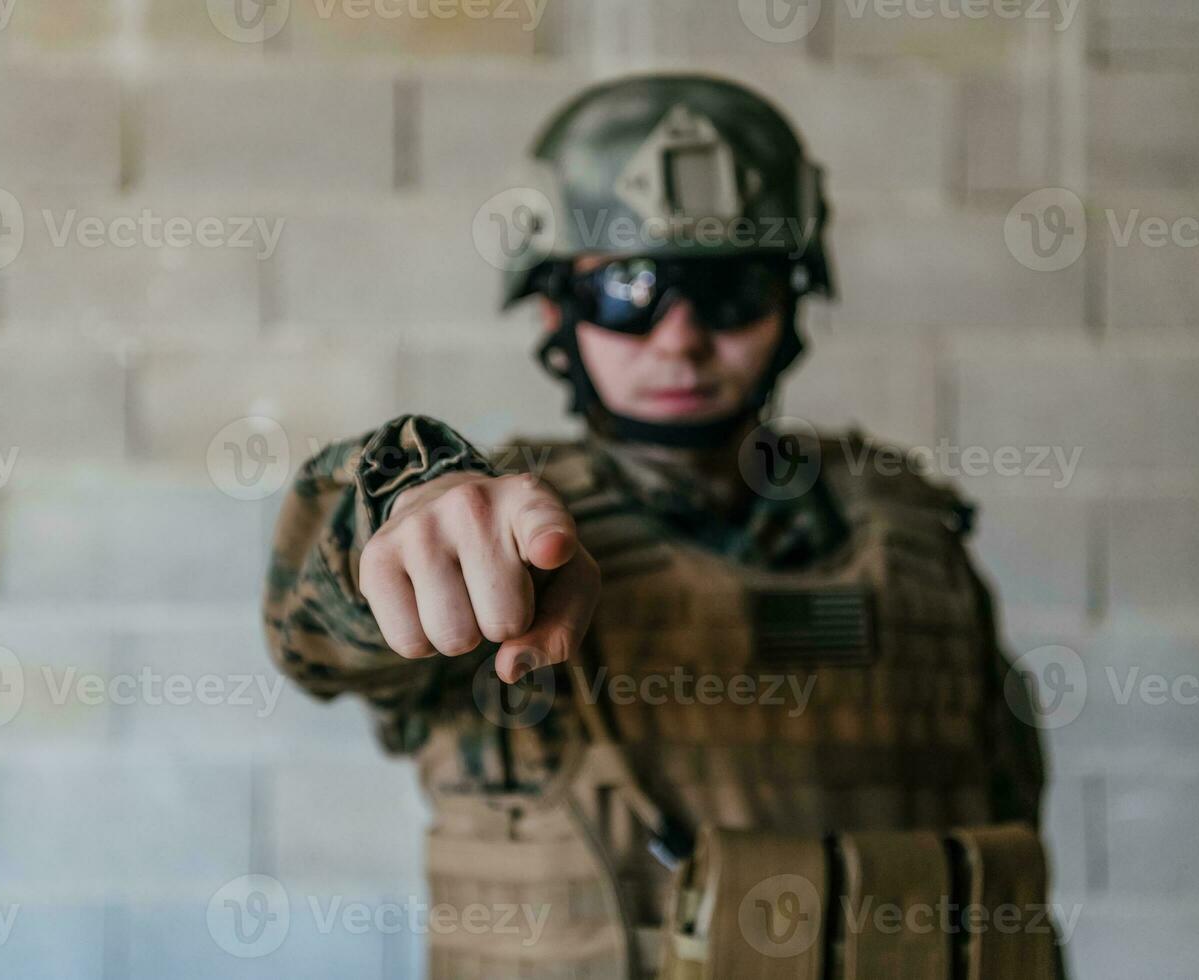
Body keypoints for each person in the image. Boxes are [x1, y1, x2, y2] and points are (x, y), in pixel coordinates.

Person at [264, 73, 1062, 979]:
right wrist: (401, 504)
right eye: (629, 290)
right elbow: (316, 635)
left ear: (792, 302)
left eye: (729, 291)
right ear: (554, 309)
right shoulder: (495, 539)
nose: (679, 338)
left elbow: (1006, 865)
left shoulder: (910, 526)